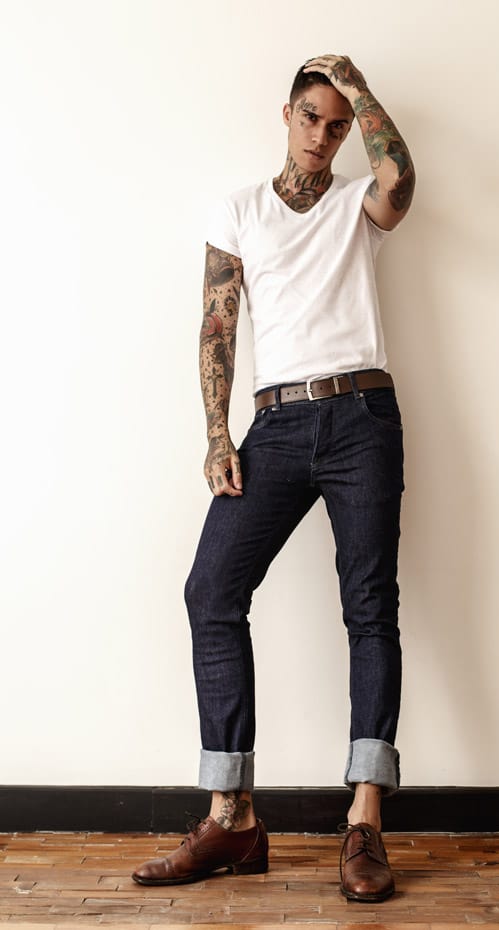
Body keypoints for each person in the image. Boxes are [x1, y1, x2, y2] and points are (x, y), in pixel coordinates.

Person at [132, 53, 414, 902]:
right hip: (278, 425)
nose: (323, 135)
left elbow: (399, 180)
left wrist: (359, 87)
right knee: (211, 590)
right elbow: (217, 323)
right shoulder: (240, 209)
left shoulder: (357, 203)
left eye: (337, 124)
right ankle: (232, 817)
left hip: (363, 417)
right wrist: (218, 434)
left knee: (369, 605)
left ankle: (364, 820)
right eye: (311, 117)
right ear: (286, 115)